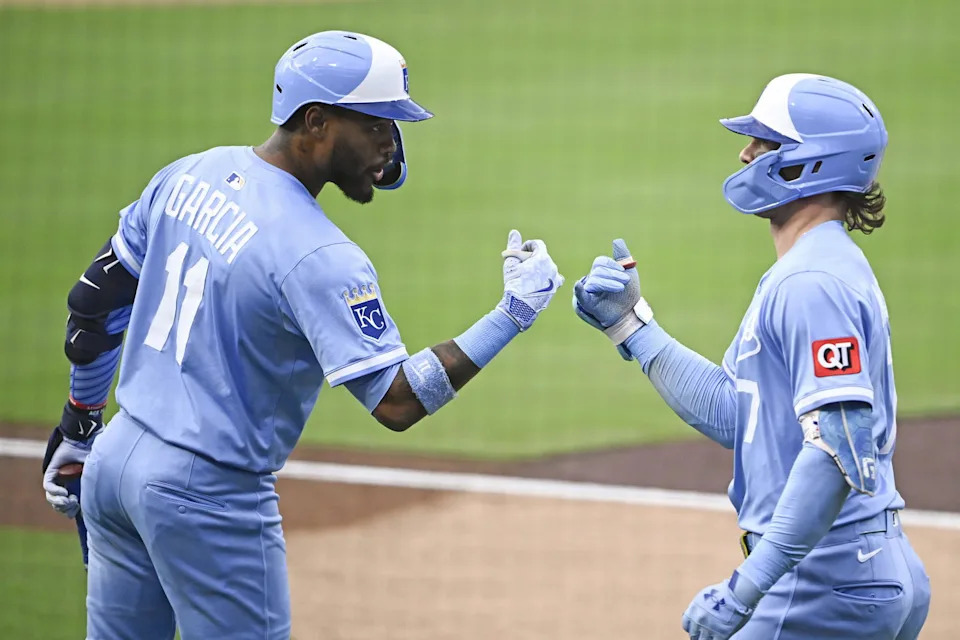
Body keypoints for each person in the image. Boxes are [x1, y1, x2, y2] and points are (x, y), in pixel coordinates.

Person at [40, 30, 563, 640]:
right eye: (377, 124)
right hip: (206, 495)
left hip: (114, 463)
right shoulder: (319, 255)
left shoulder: (189, 173)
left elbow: (95, 304)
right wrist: (512, 314)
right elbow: (397, 402)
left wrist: (79, 424)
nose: (391, 144)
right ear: (316, 121)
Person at [572, 73, 930, 639]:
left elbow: (837, 446)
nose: (745, 154)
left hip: (821, 581)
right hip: (852, 568)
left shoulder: (811, 282)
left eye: (765, 142)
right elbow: (737, 413)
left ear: (810, 161)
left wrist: (744, 589)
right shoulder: (812, 267)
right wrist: (630, 325)